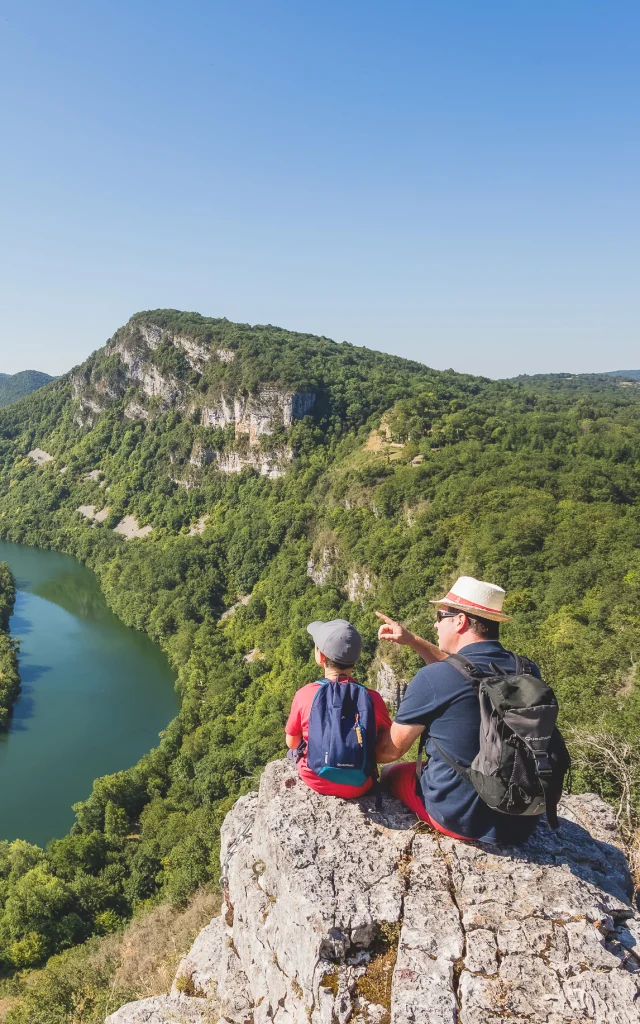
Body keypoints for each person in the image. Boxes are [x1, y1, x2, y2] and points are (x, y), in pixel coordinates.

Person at [375, 576, 542, 844]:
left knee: (391, 773)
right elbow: (466, 671)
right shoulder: (527, 670)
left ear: (460, 621)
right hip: (522, 818)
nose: (435, 623)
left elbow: (389, 751)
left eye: (441, 616)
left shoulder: (433, 679)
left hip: (462, 819)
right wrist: (414, 641)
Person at [285, 618, 392, 798]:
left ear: (321, 656)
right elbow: (385, 741)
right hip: (359, 785)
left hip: (316, 779)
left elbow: (292, 742)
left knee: (291, 751)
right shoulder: (373, 699)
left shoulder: (305, 694)